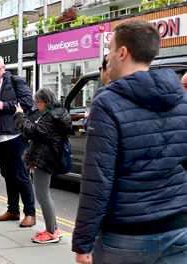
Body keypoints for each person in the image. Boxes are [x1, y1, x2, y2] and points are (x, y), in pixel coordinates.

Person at [72, 20, 187, 264]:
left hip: (128, 235)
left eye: (110, 50)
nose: (108, 57)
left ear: (123, 53)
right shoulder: (180, 99)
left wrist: (83, 242)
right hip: (179, 229)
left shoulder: (107, 103)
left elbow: (98, 180)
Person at [0, 55, 36, 228]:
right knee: (8, 176)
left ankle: (30, 214)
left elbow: (28, 102)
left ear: (4, 68)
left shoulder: (16, 81)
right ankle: (13, 210)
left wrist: (4, 105)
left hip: (16, 135)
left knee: (22, 175)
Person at [14, 88, 72, 243]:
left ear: (45, 101)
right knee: (45, 195)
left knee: (42, 195)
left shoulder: (50, 117)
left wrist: (19, 115)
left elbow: (32, 132)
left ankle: (52, 233)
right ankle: (53, 228)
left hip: (45, 160)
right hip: (47, 157)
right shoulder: (58, 112)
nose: (35, 104)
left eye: (37, 102)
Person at [83, 55, 111, 129]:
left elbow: (90, 126)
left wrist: (87, 117)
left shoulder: (101, 96)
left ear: (107, 70)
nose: (100, 71)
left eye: (100, 68)